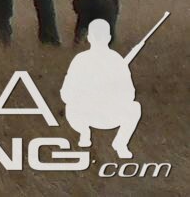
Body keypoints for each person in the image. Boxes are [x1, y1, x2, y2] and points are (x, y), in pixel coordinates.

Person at [59, 18, 141, 159]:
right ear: (109, 37)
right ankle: (120, 143)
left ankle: (85, 133)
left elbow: (65, 94)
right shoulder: (117, 60)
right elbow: (130, 94)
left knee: (70, 107)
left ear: (89, 38)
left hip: (83, 116)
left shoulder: (80, 59)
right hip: (109, 116)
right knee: (135, 108)